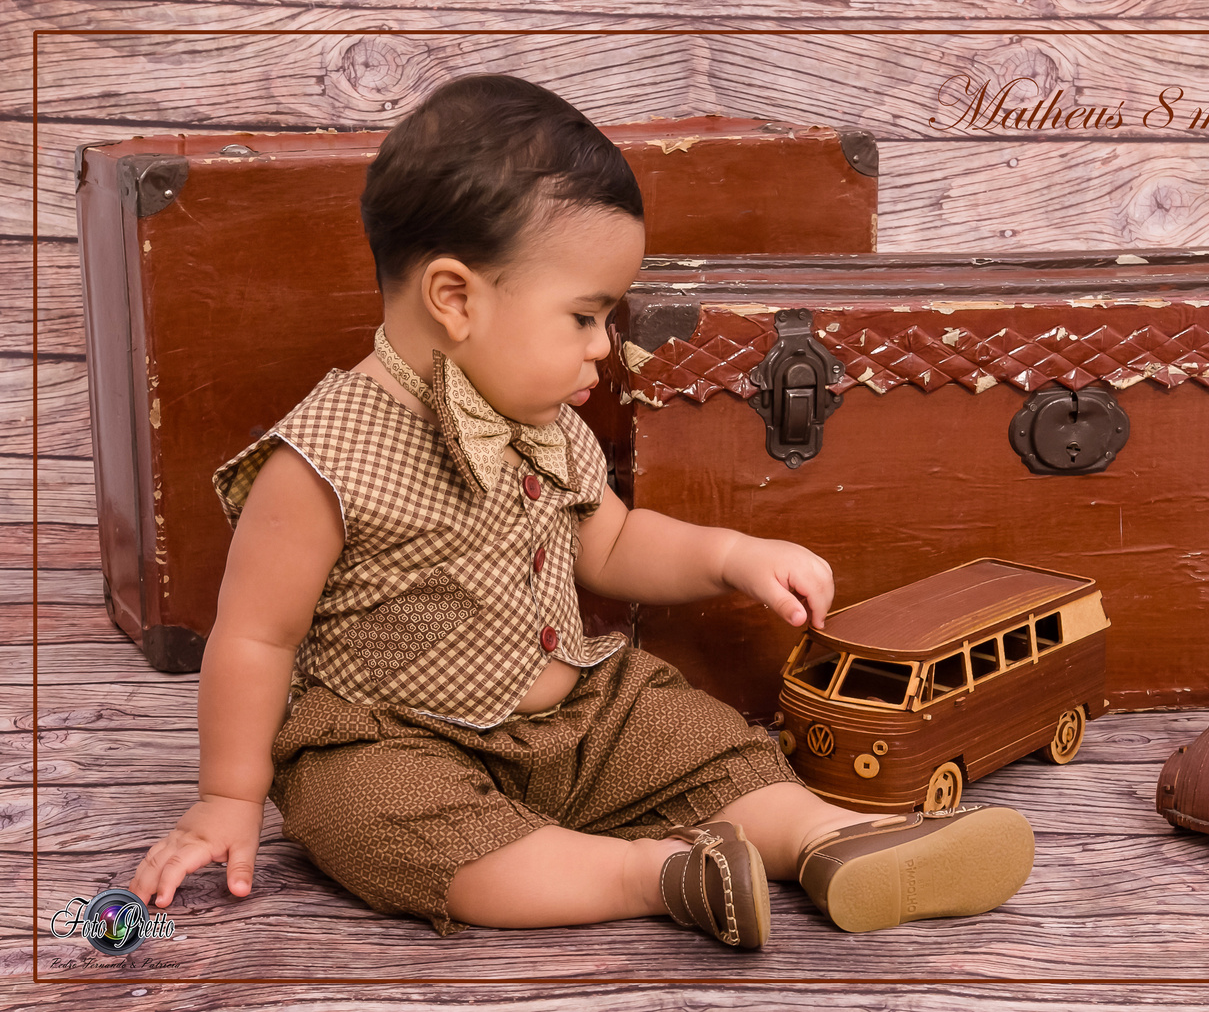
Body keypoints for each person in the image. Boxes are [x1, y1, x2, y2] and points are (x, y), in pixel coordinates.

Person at [129, 74, 1035, 948]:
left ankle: (826, 838)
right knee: (371, 817)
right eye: (585, 316)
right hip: (398, 738)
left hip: (576, 715)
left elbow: (613, 541)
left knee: (691, 735)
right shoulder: (323, 459)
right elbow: (256, 637)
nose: (605, 345)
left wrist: (730, 555)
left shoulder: (544, 421)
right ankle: (655, 875)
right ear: (455, 299)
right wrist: (228, 797)